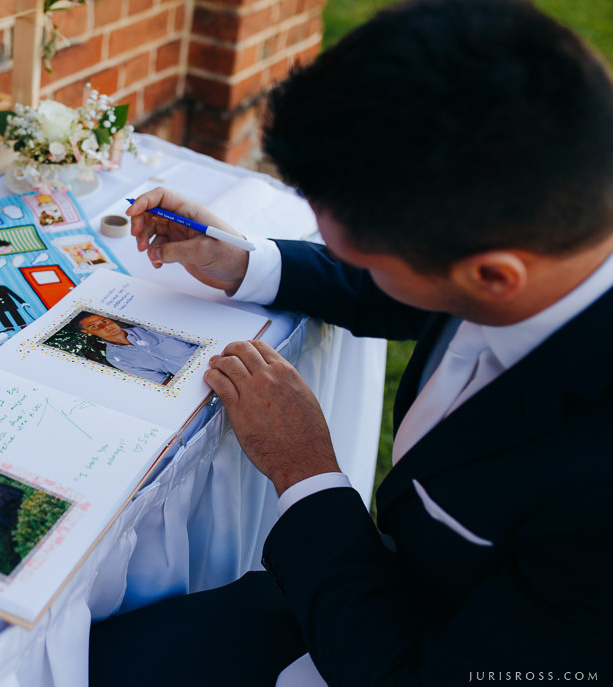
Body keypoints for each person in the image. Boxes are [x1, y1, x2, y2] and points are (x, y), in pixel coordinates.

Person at [89, 0, 613, 684]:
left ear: (493, 276)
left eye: (367, 254)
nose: (354, 263)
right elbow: (402, 289)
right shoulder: (544, 220)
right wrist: (242, 260)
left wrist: (305, 470)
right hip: (351, 590)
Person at [71, 312, 198, 384]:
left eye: (104, 321)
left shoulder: (147, 326)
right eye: (94, 326)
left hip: (211, 357)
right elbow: (163, 381)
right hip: (195, 381)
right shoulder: (115, 358)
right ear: (86, 332)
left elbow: (197, 339)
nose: (105, 327)